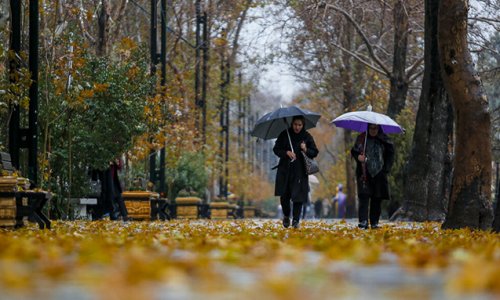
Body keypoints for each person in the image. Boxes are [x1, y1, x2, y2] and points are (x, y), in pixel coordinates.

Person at [273, 115, 319, 228]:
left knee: (298, 197)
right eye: (295, 124)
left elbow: (315, 152)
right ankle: (286, 215)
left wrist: (306, 149)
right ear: (291, 124)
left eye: (299, 125)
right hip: (285, 170)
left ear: (303, 125)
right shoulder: (285, 134)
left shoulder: (307, 136)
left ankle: (296, 220)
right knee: (284, 196)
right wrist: (286, 153)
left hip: (300, 171)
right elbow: (276, 149)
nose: (297, 127)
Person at [351, 124, 394, 229]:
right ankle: (363, 221)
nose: (373, 130)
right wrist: (358, 157)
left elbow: (391, 153)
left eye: (376, 128)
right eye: (371, 128)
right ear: (368, 128)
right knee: (364, 197)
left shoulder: (384, 139)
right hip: (364, 173)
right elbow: (354, 151)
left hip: (379, 173)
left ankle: (374, 222)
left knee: (377, 198)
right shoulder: (361, 138)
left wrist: (386, 169)